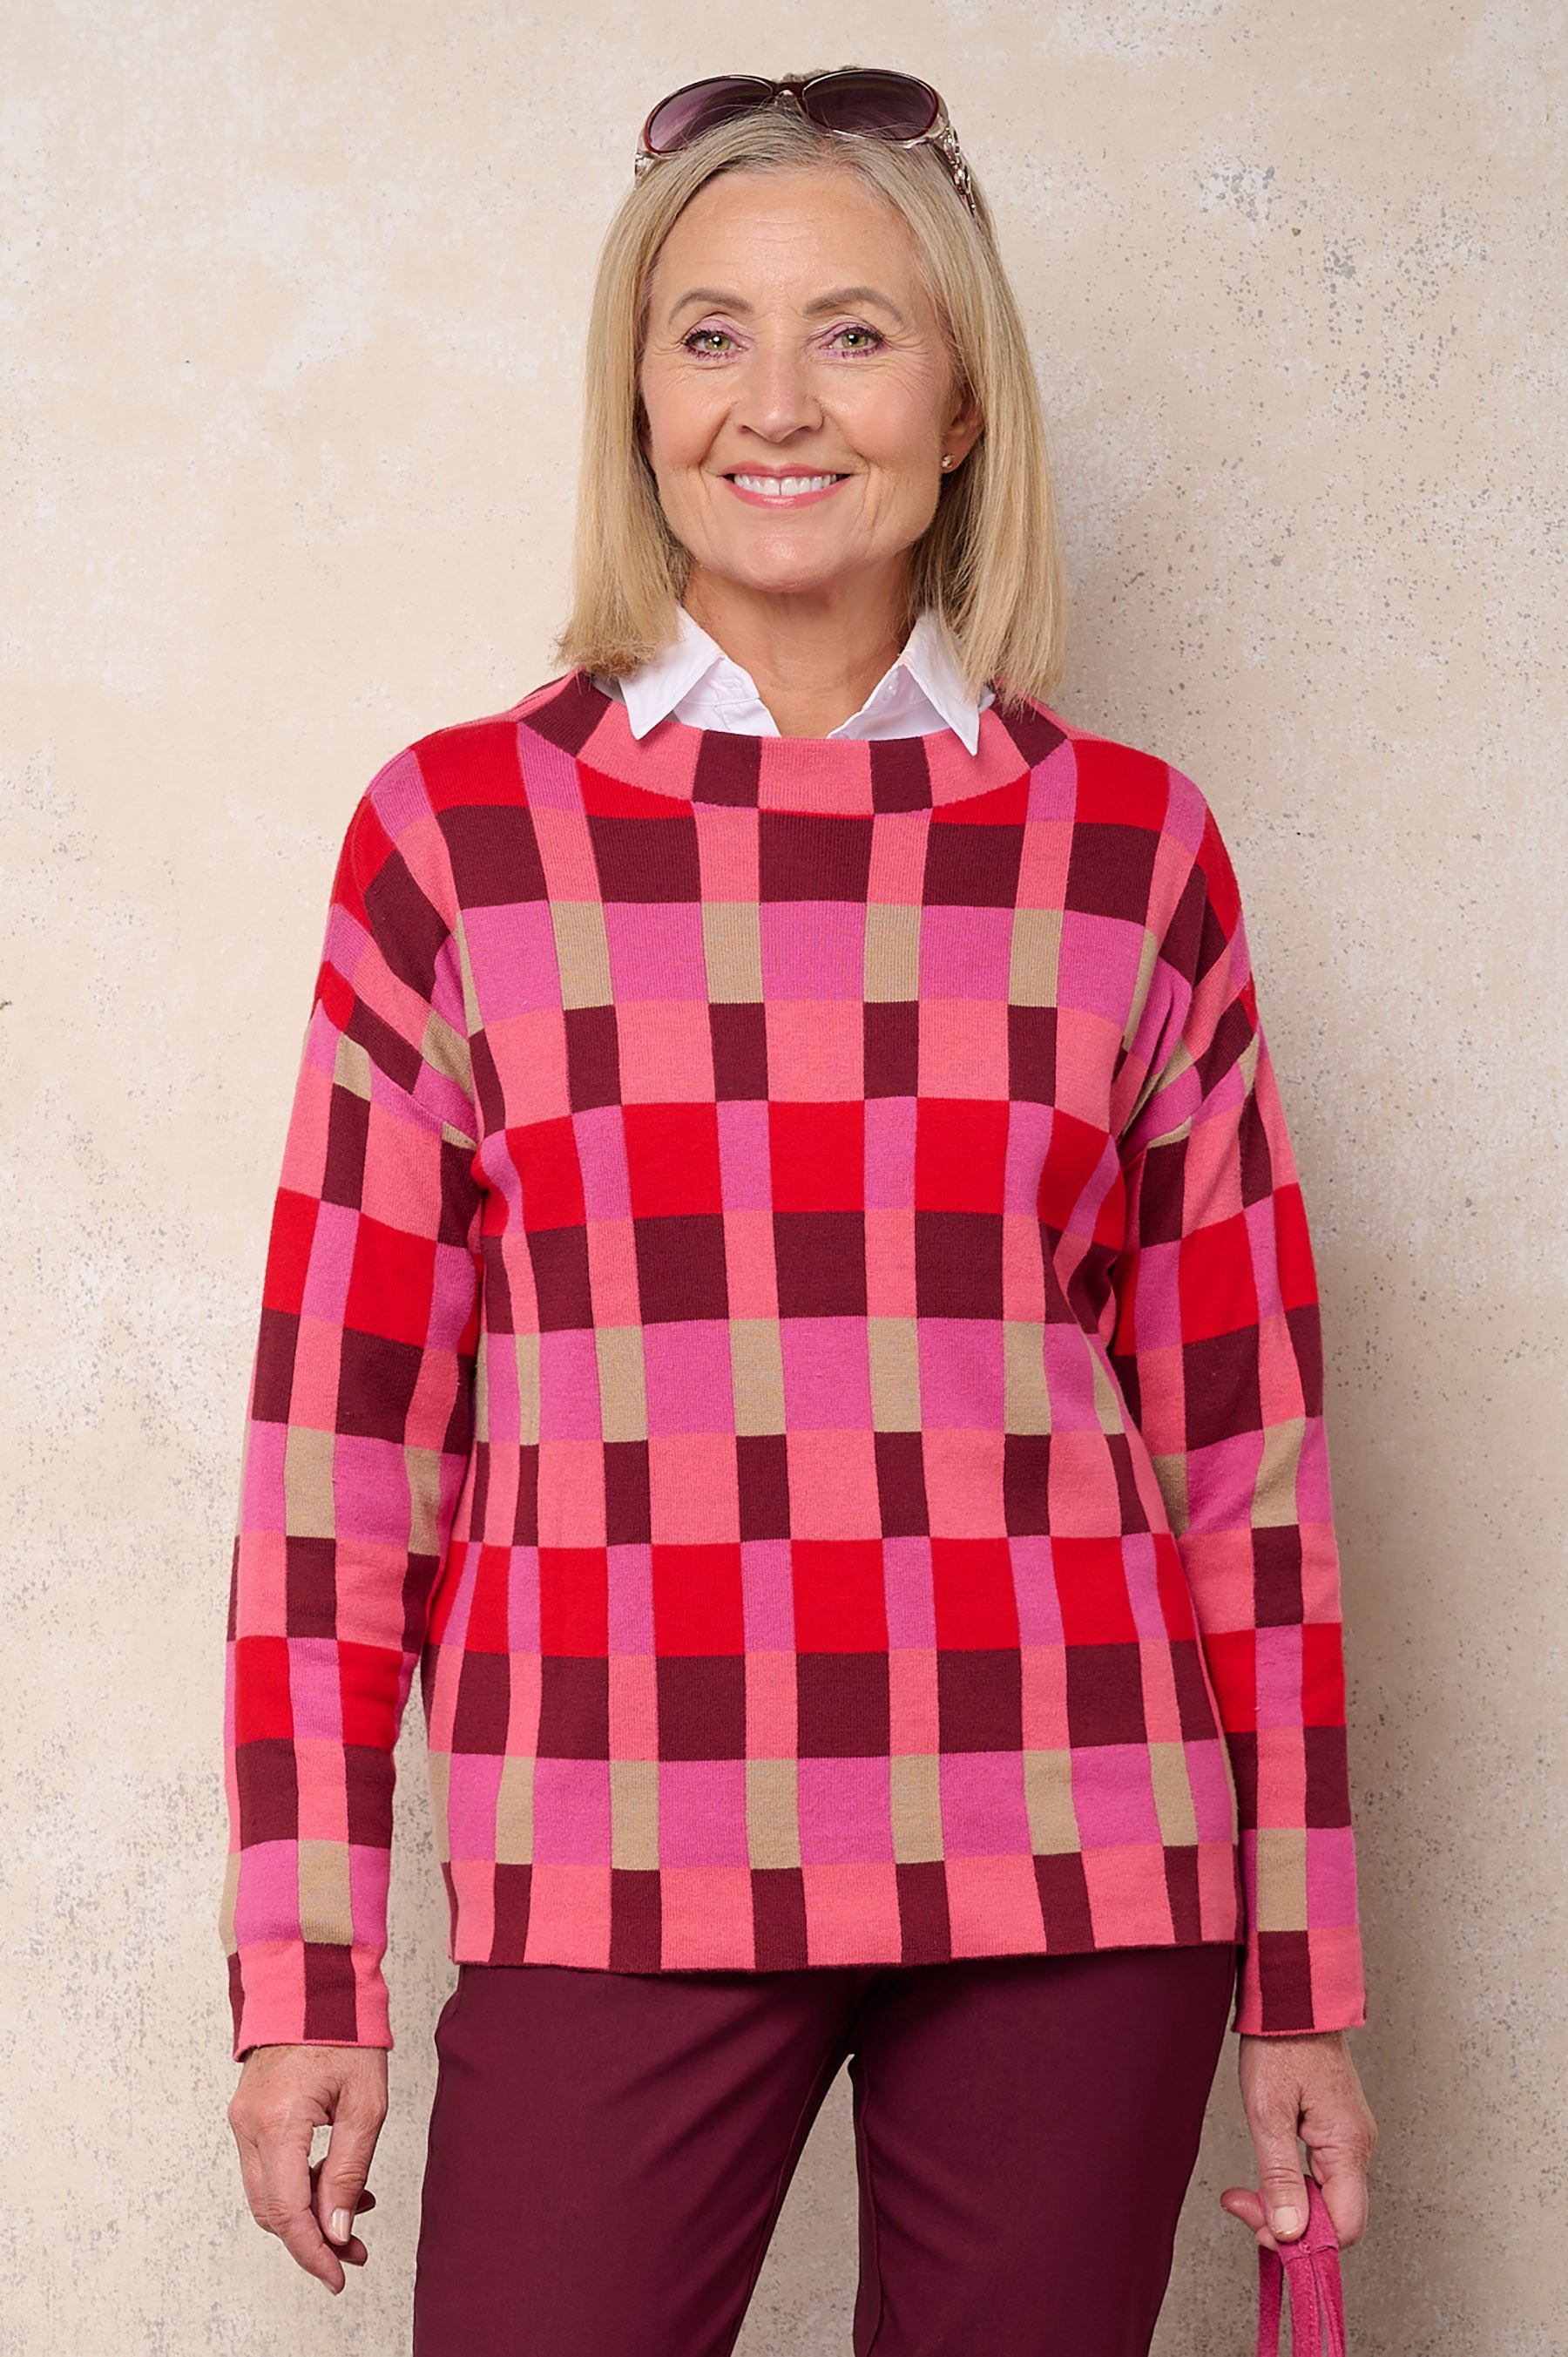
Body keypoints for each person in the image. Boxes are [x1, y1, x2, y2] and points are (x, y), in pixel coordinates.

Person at [222, 70, 1376, 2357]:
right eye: (709, 335)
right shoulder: (457, 840)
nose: (777, 402)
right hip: (615, 1848)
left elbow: (1252, 1464)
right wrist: (306, 1969)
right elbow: (339, 1459)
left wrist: (1304, 1980)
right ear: (637, 399)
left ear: (961, 405)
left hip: (1078, 1853)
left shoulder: (1130, 850)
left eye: (854, 334)